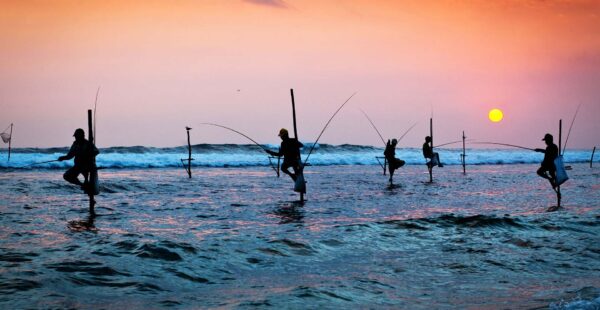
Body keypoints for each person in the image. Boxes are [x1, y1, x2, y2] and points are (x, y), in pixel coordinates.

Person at [58, 128, 99, 193]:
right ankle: (82, 184)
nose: (76, 138)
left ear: (82, 136)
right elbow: (70, 156)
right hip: (78, 166)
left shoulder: (88, 144)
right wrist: (62, 158)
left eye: (77, 136)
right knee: (66, 176)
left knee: (85, 172)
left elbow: (96, 151)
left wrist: (87, 155)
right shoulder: (75, 144)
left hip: (87, 165)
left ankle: (87, 183)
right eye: (75, 136)